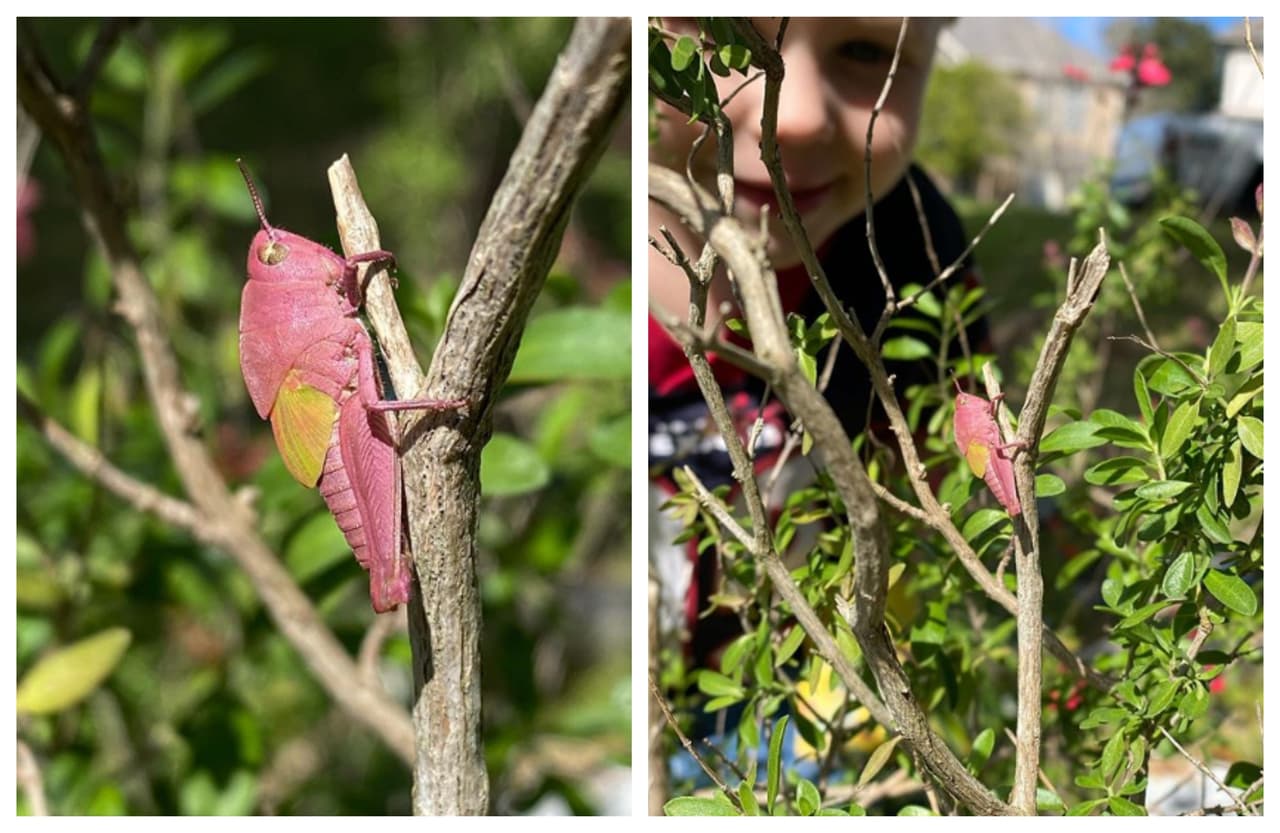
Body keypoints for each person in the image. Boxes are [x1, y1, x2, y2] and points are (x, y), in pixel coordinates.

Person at [648, 17, 991, 777]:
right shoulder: (582, 263)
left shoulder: (920, 259)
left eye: (866, 50)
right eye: (717, 36)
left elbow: (941, 513)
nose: (794, 113)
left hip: (812, 696)